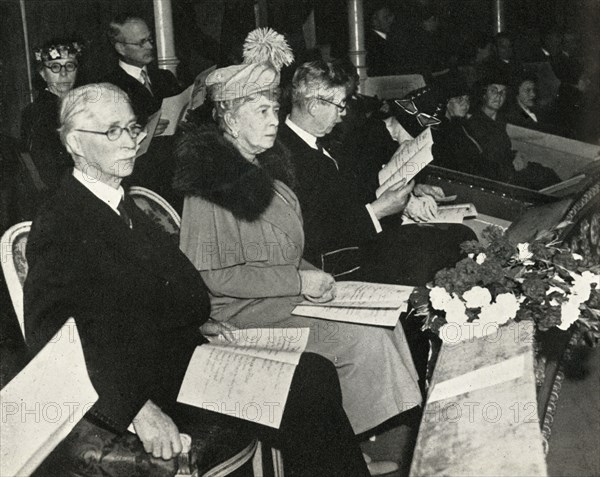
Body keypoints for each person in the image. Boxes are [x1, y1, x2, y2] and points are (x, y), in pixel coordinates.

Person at [23, 83, 370, 477]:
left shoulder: (120, 201)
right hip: (146, 385)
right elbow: (52, 335)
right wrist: (137, 410)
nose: (130, 143)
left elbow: (167, 281)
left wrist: (199, 319)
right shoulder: (61, 218)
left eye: (133, 128)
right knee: (306, 386)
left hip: (184, 358)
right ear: (75, 144)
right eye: (112, 131)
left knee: (313, 373)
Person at [173, 30, 417, 476]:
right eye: (263, 111)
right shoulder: (209, 187)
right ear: (230, 120)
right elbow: (213, 278)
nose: (274, 120)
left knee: (385, 327)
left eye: (274, 109)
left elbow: (286, 250)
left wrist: (309, 276)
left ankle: (343, 444)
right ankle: (340, 453)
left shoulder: (266, 170)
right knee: (359, 342)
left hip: (281, 297)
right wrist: (300, 281)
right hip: (241, 313)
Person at [104, 14, 183, 208]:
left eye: (150, 39)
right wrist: (143, 132)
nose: (149, 46)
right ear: (121, 48)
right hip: (145, 178)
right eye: (141, 43)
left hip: (180, 168)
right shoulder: (110, 87)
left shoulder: (164, 77)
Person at [468, 73, 560, 189]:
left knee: (547, 173)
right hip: (500, 177)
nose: (499, 96)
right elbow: (488, 160)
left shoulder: (500, 120)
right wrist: (513, 160)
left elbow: (503, 150)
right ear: (483, 95)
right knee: (542, 177)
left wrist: (516, 154)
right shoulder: (476, 123)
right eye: (493, 91)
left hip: (509, 168)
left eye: (503, 92)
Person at [21, 39, 83, 193]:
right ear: (43, 73)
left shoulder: (81, 104)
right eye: (55, 67)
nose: (64, 73)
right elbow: (48, 171)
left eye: (70, 65)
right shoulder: (38, 112)